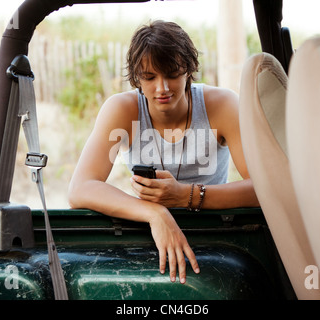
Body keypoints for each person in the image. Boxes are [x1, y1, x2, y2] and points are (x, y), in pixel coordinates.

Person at [68, 20, 259, 284]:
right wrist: (154, 213)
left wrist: (186, 196)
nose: (162, 88)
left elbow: (264, 190)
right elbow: (80, 189)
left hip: (215, 233)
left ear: (189, 70)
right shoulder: (121, 109)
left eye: (172, 74)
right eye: (149, 77)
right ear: (136, 78)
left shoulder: (223, 105)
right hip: (149, 233)